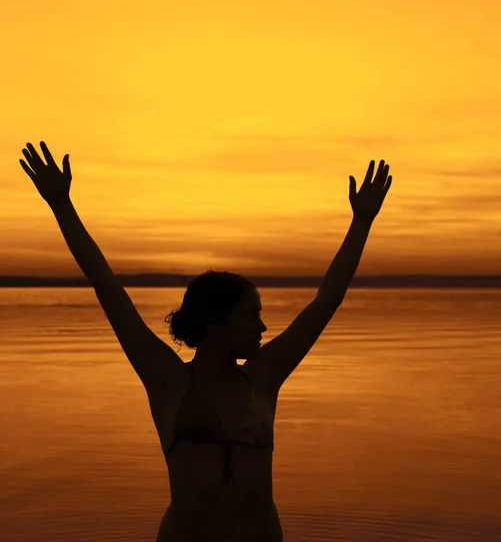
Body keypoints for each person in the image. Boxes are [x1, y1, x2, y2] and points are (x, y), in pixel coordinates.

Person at [19, 141, 392, 542]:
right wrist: (61, 206)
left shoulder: (264, 377)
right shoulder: (168, 382)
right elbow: (107, 287)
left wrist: (362, 222)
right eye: (252, 314)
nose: (263, 328)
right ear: (215, 324)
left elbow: (327, 299)